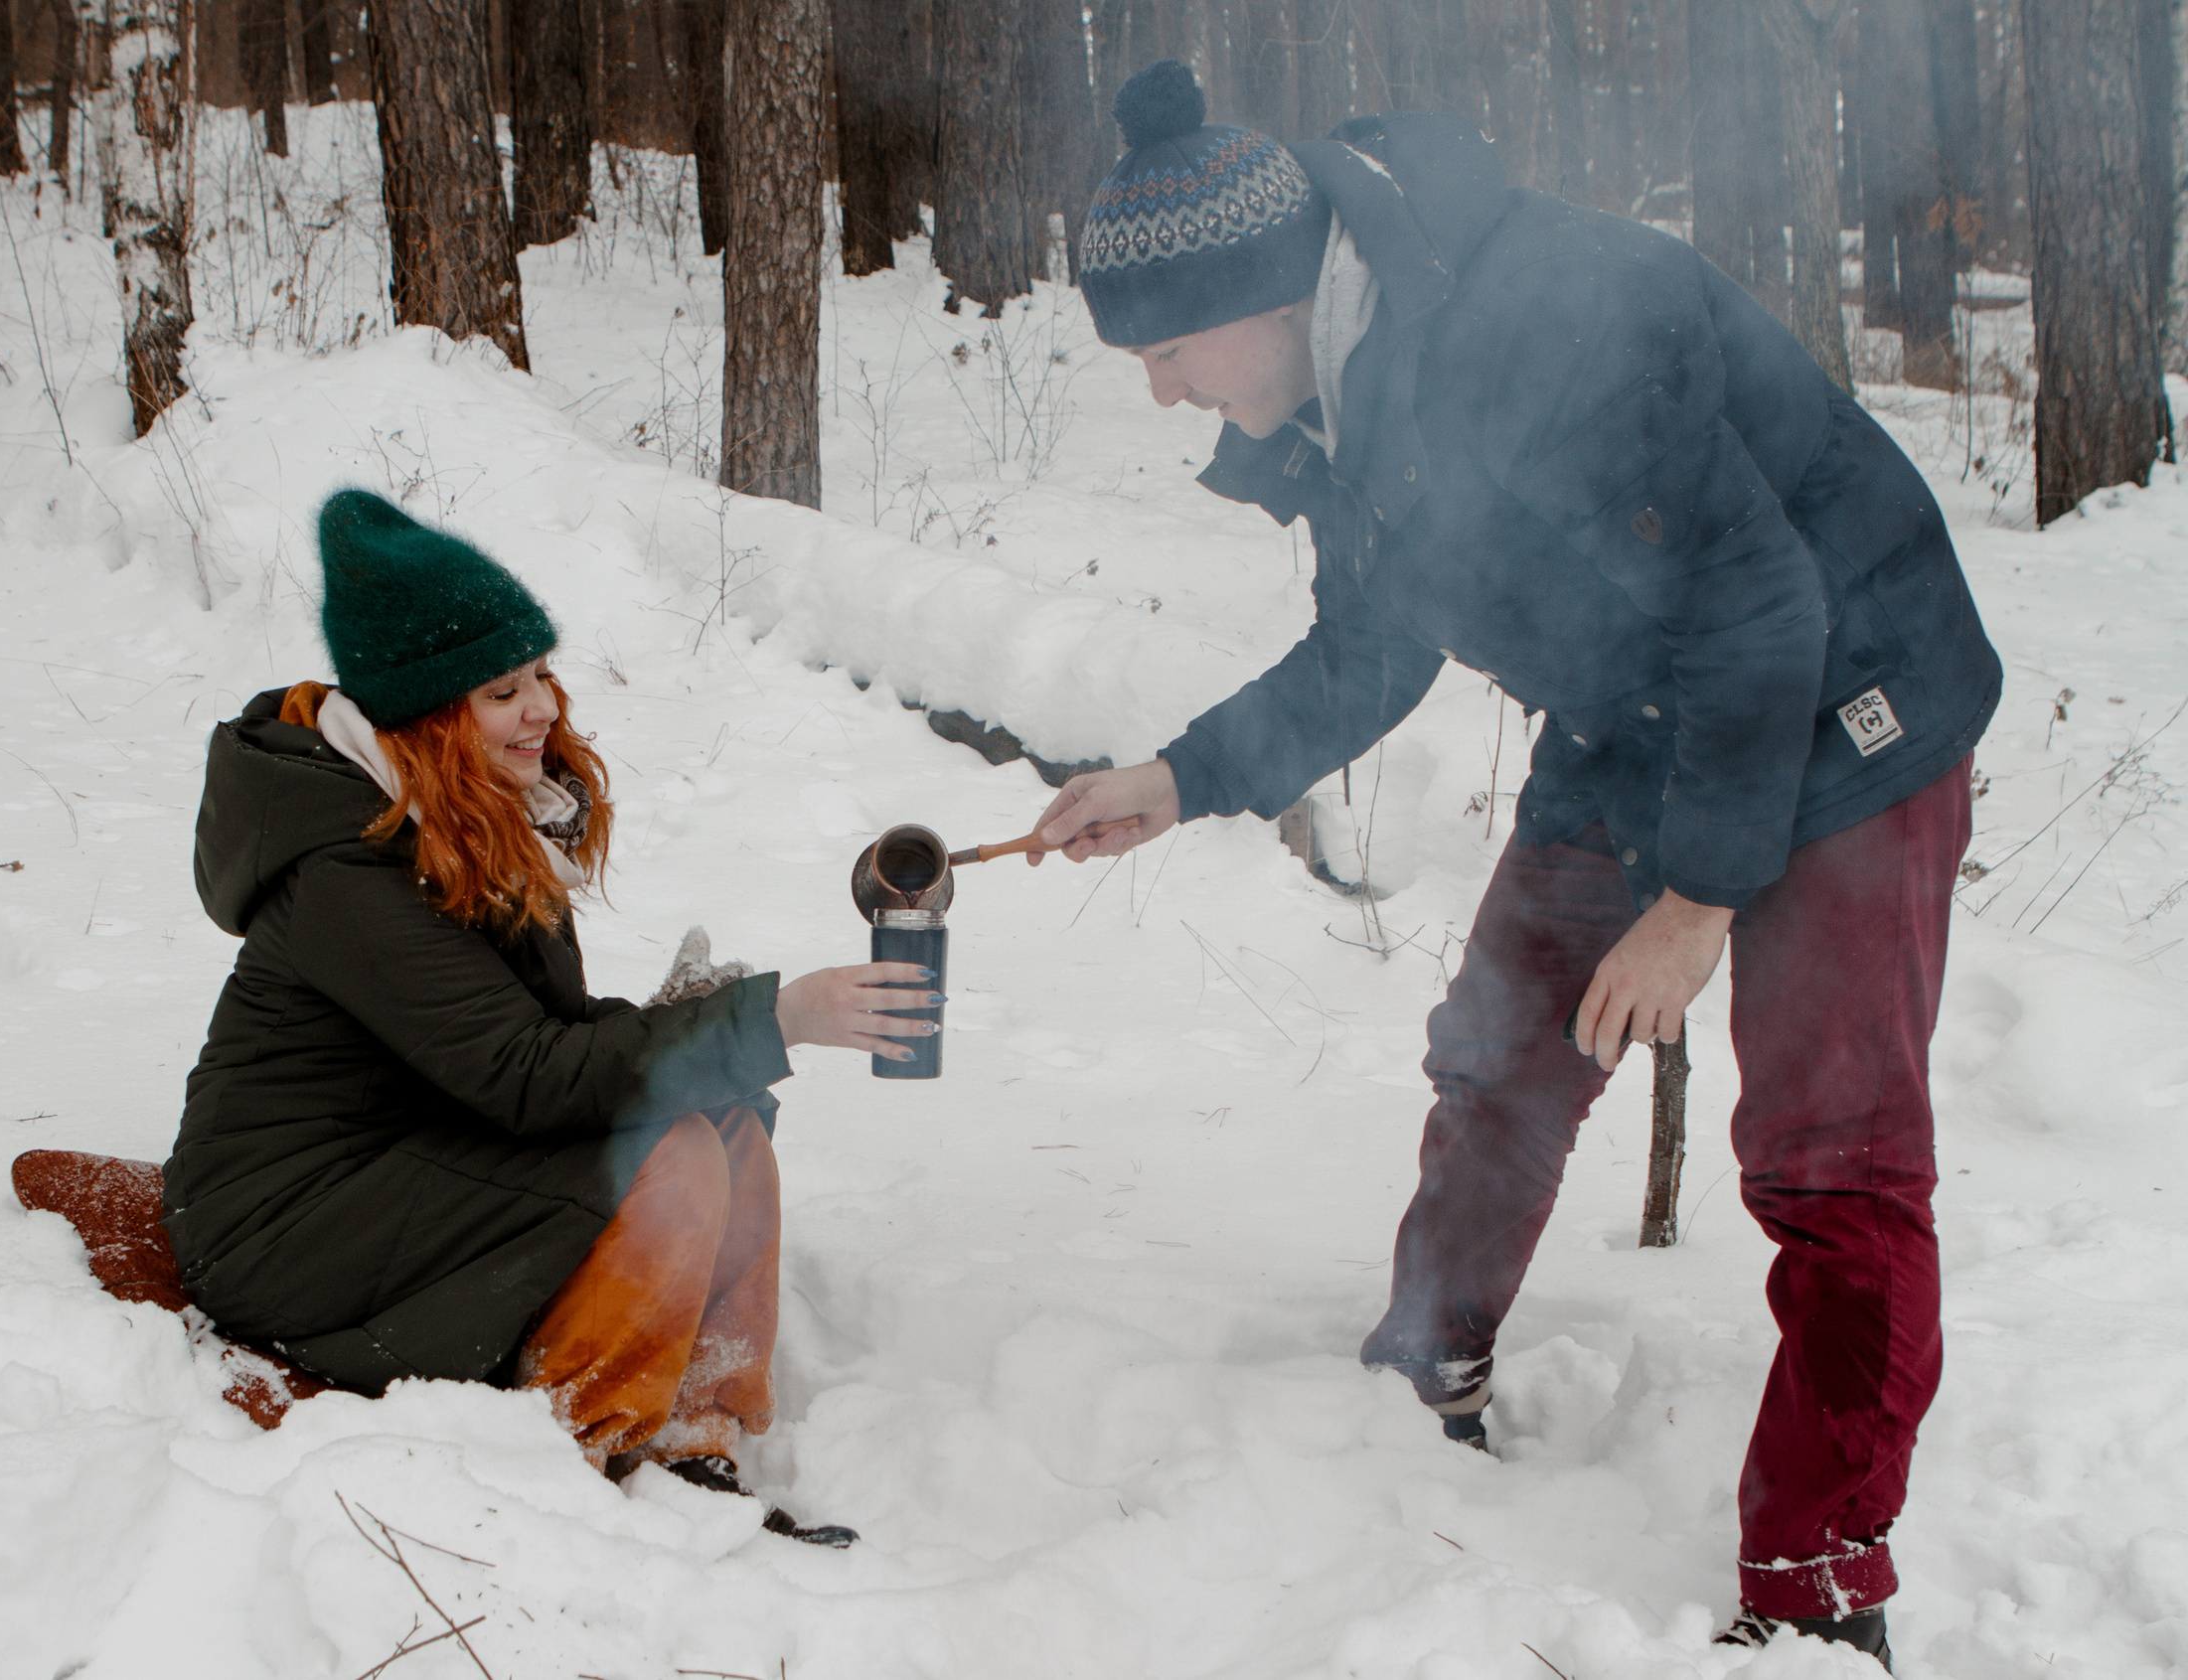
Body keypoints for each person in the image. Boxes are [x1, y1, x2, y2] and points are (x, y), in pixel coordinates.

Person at [1031, 62, 2000, 1663]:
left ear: (1259, 297)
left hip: (1848, 699)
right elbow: (1374, 644)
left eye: (1165, 350)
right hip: (1638, 707)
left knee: (1832, 1166)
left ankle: (1821, 1587)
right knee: (1499, 1049)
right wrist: (1177, 776)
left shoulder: (1539, 323)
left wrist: (1698, 901)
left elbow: (1765, 606)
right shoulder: (1348, 380)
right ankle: (1429, 1364)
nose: (1159, 392)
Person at [163, 489, 935, 1545]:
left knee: (727, 1132)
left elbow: (517, 1041)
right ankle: (580, 1435)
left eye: (539, 677)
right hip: (284, 1220)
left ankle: (693, 1432)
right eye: (501, 691)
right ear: (430, 716)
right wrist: (767, 1020)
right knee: (668, 1154)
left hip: (413, 1146)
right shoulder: (347, 868)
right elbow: (526, 1073)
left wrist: (703, 1038)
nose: (542, 711)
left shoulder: (464, 817)